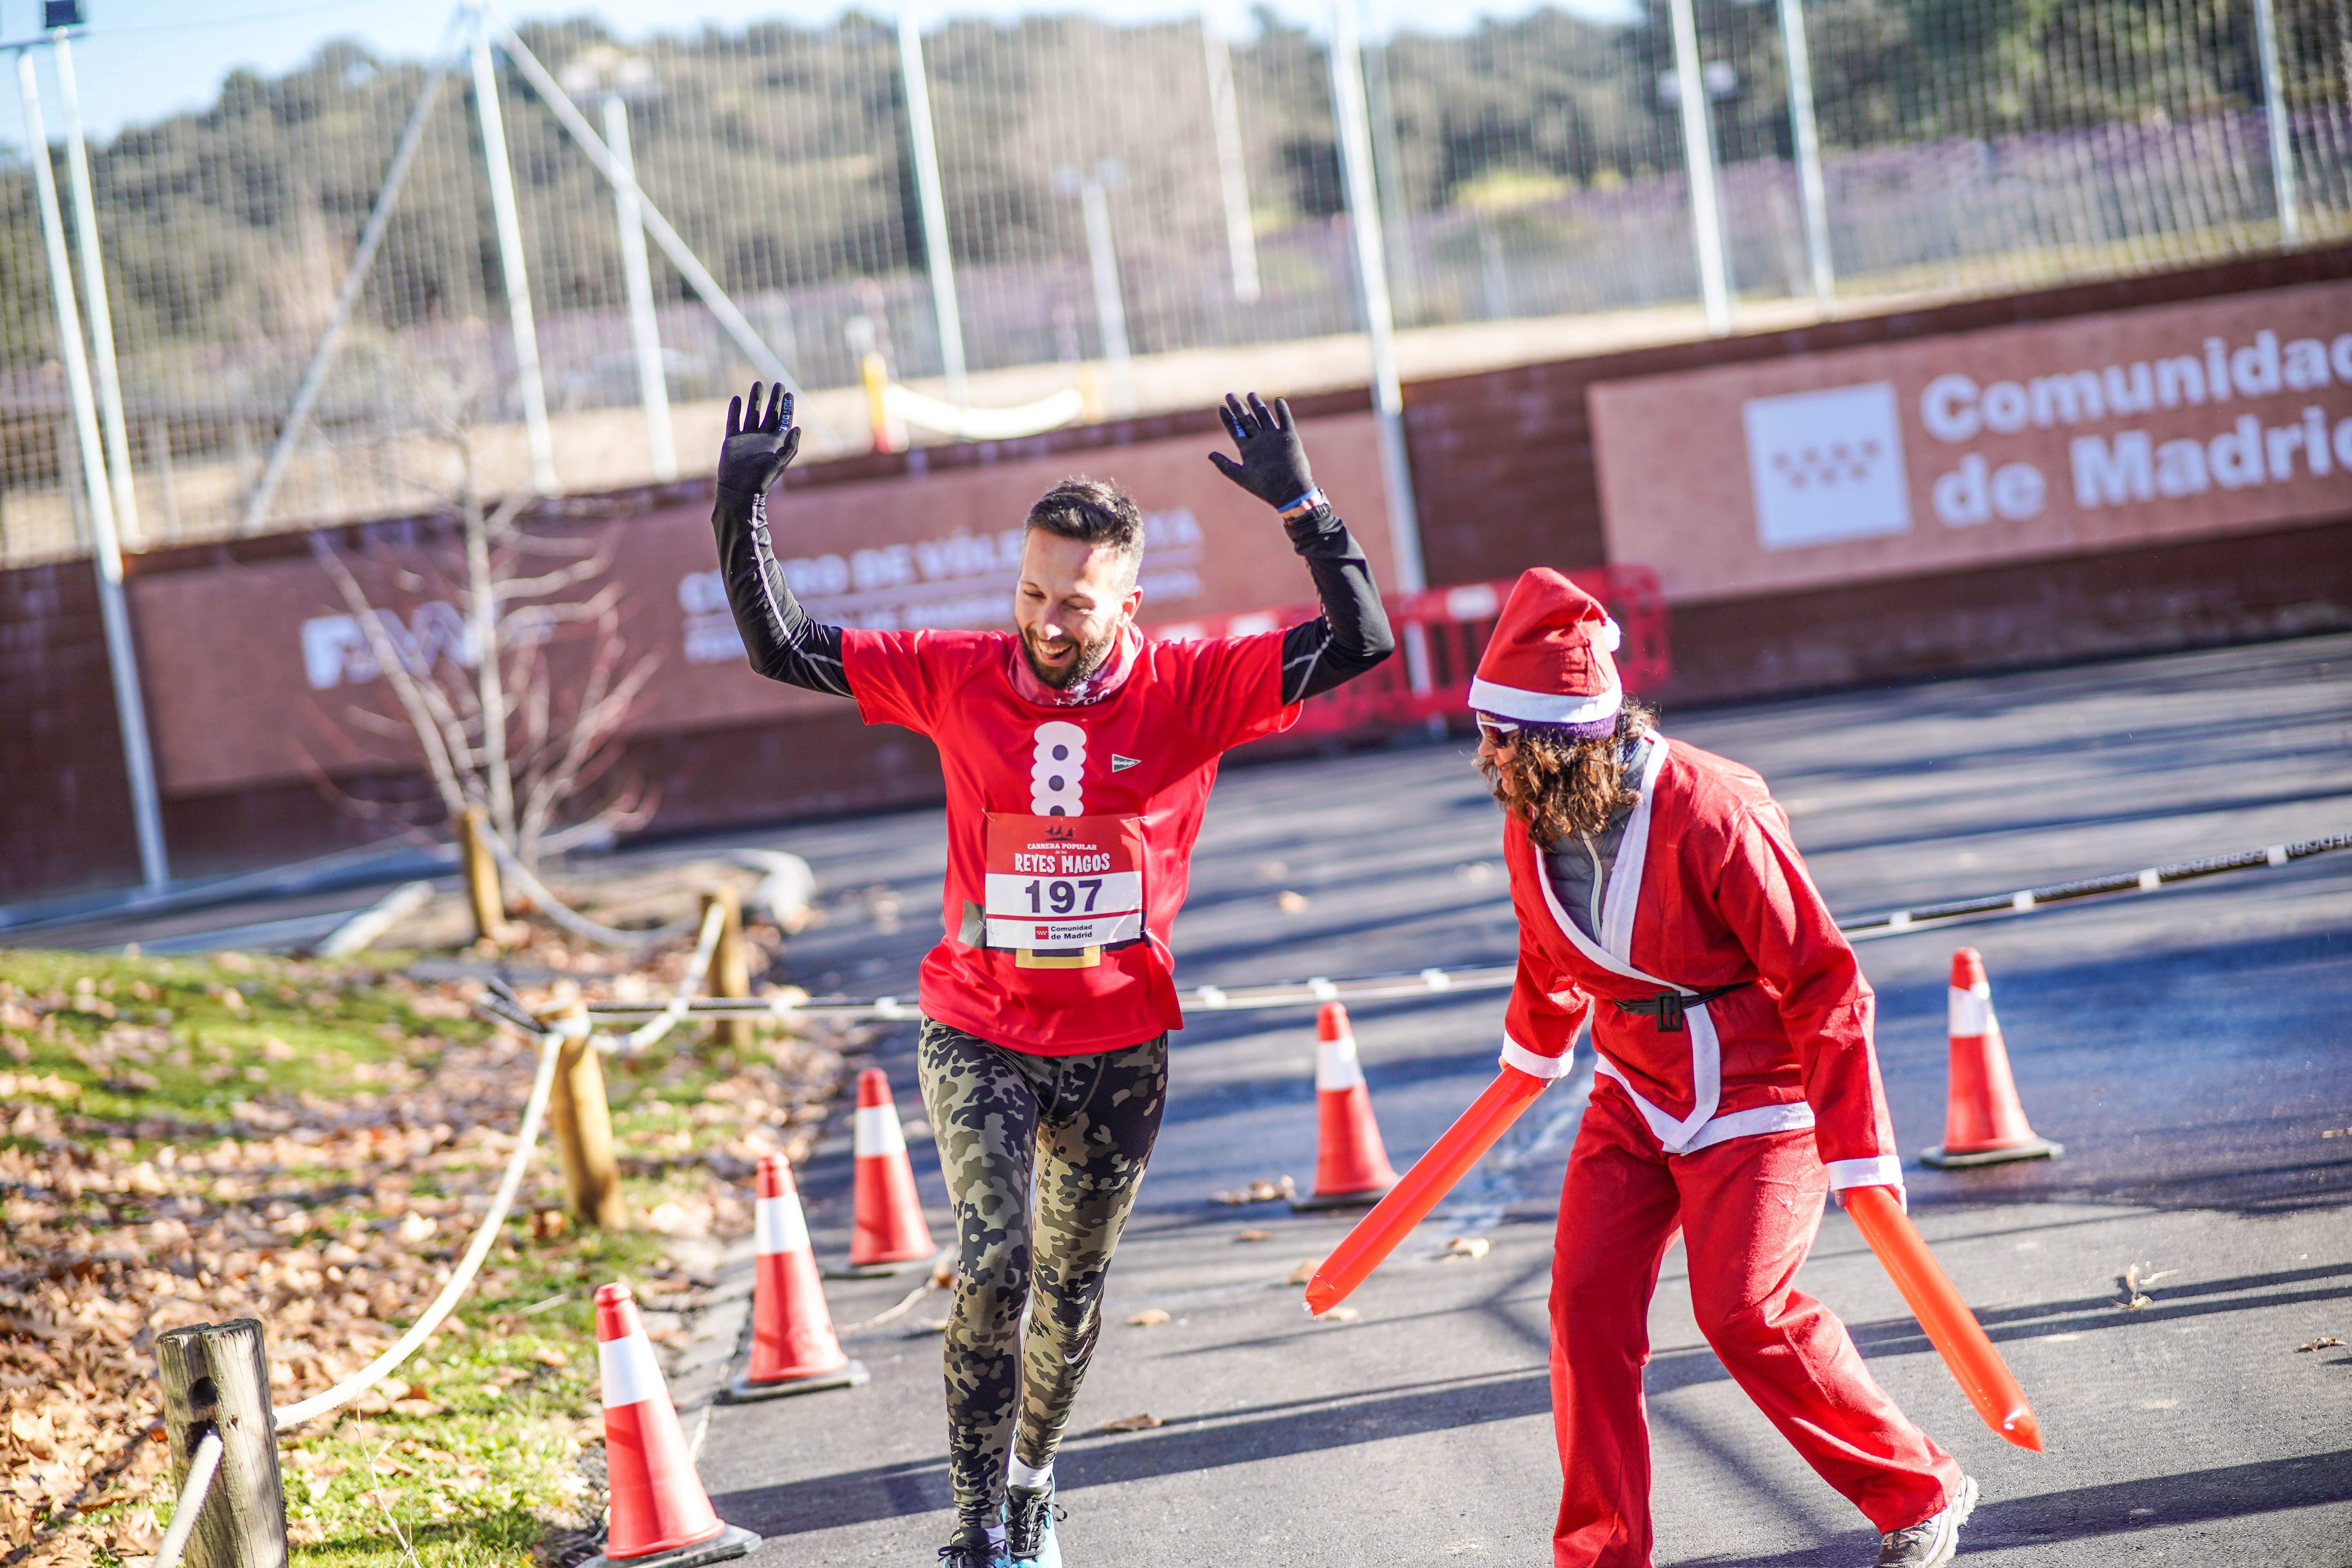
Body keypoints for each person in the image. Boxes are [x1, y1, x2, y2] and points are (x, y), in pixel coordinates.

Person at [708, 384, 1395, 1568]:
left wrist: (1305, 504)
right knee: (996, 1264)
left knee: (1070, 1296)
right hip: (977, 1024)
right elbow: (783, 648)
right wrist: (743, 501)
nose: (1048, 622)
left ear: (1128, 599)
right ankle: (974, 1518)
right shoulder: (958, 673)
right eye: (1032, 594)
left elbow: (1360, 641)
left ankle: (1033, 1482)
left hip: (1121, 1043)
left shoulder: (1191, 687)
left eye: (1076, 603)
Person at [1465, 568, 1977, 1568]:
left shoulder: (1711, 808)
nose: (1484, 755)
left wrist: (1860, 1152)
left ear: (1569, 741)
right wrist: (1532, 1053)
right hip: (1631, 1086)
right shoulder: (1530, 811)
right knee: (1583, 1306)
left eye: (1501, 736)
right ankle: (1603, 1552)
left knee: (1743, 1310)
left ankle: (1919, 1485)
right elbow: (1550, 947)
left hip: (1758, 1086)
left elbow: (1825, 979)